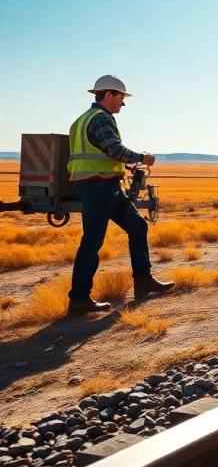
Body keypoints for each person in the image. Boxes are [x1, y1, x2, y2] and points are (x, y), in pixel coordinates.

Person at [67, 75, 175, 313]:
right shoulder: (100, 119)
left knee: (138, 226)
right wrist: (141, 158)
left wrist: (122, 166)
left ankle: (143, 281)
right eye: (120, 98)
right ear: (107, 95)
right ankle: (79, 299)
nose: (122, 104)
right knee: (92, 241)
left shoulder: (83, 120)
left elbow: (102, 152)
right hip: (97, 188)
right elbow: (114, 148)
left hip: (107, 186)